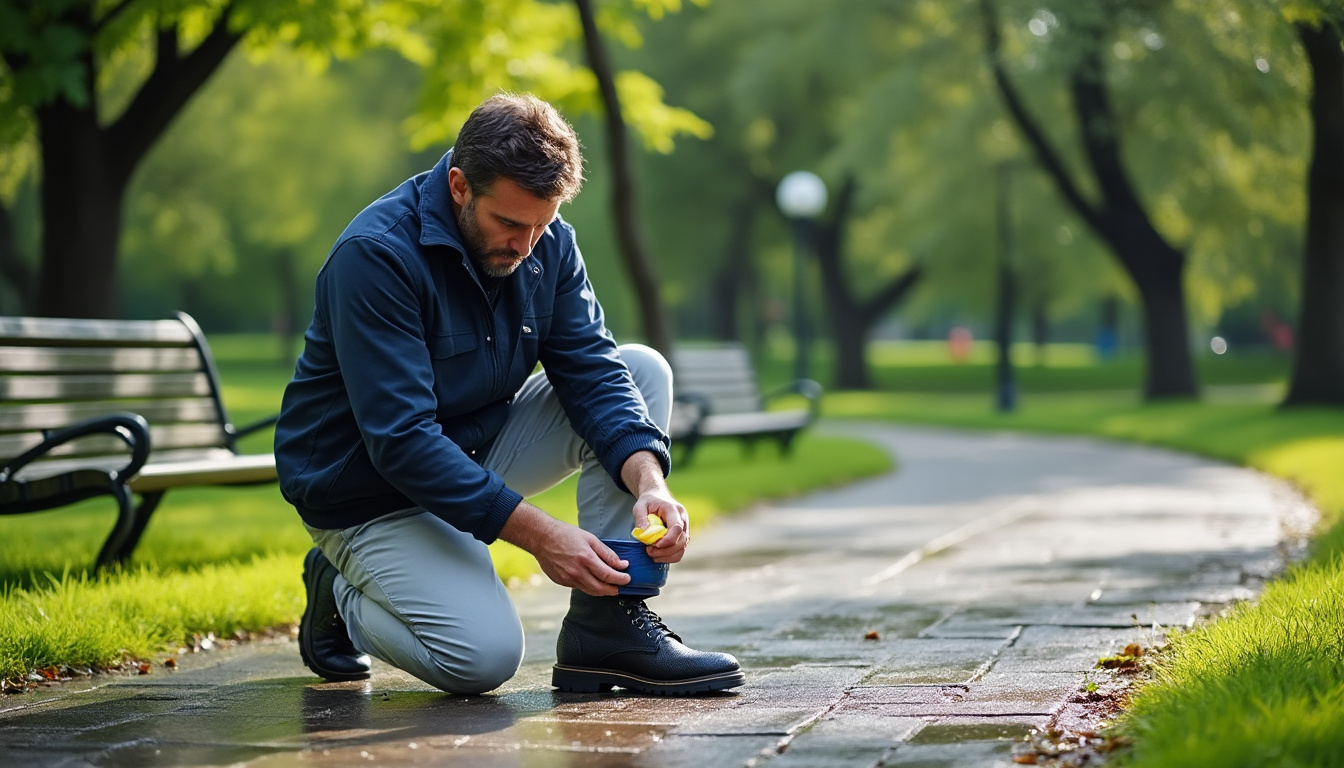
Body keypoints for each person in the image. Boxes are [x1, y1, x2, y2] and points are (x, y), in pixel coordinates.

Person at [273, 93, 743, 696]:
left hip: (475, 450)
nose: (526, 246)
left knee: (639, 369)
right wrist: (544, 537)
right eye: (511, 224)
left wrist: (651, 486)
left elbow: (593, 373)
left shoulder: (547, 242)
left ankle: (609, 628)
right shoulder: (377, 256)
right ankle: (342, 589)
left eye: (541, 225)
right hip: (368, 492)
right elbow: (403, 441)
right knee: (483, 660)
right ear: (461, 186)